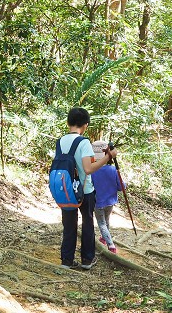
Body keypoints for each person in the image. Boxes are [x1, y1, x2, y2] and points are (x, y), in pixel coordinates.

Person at [57, 107, 117, 270]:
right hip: (85, 189)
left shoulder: (60, 141)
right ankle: (86, 260)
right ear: (85, 124)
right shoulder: (83, 142)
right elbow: (88, 169)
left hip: (66, 188)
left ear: (68, 122)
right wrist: (108, 157)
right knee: (88, 222)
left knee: (69, 224)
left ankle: (67, 261)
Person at [91, 140, 124, 254]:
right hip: (110, 201)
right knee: (106, 220)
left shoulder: (92, 170)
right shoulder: (113, 170)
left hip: (98, 201)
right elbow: (121, 186)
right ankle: (104, 238)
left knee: (101, 223)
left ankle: (111, 245)